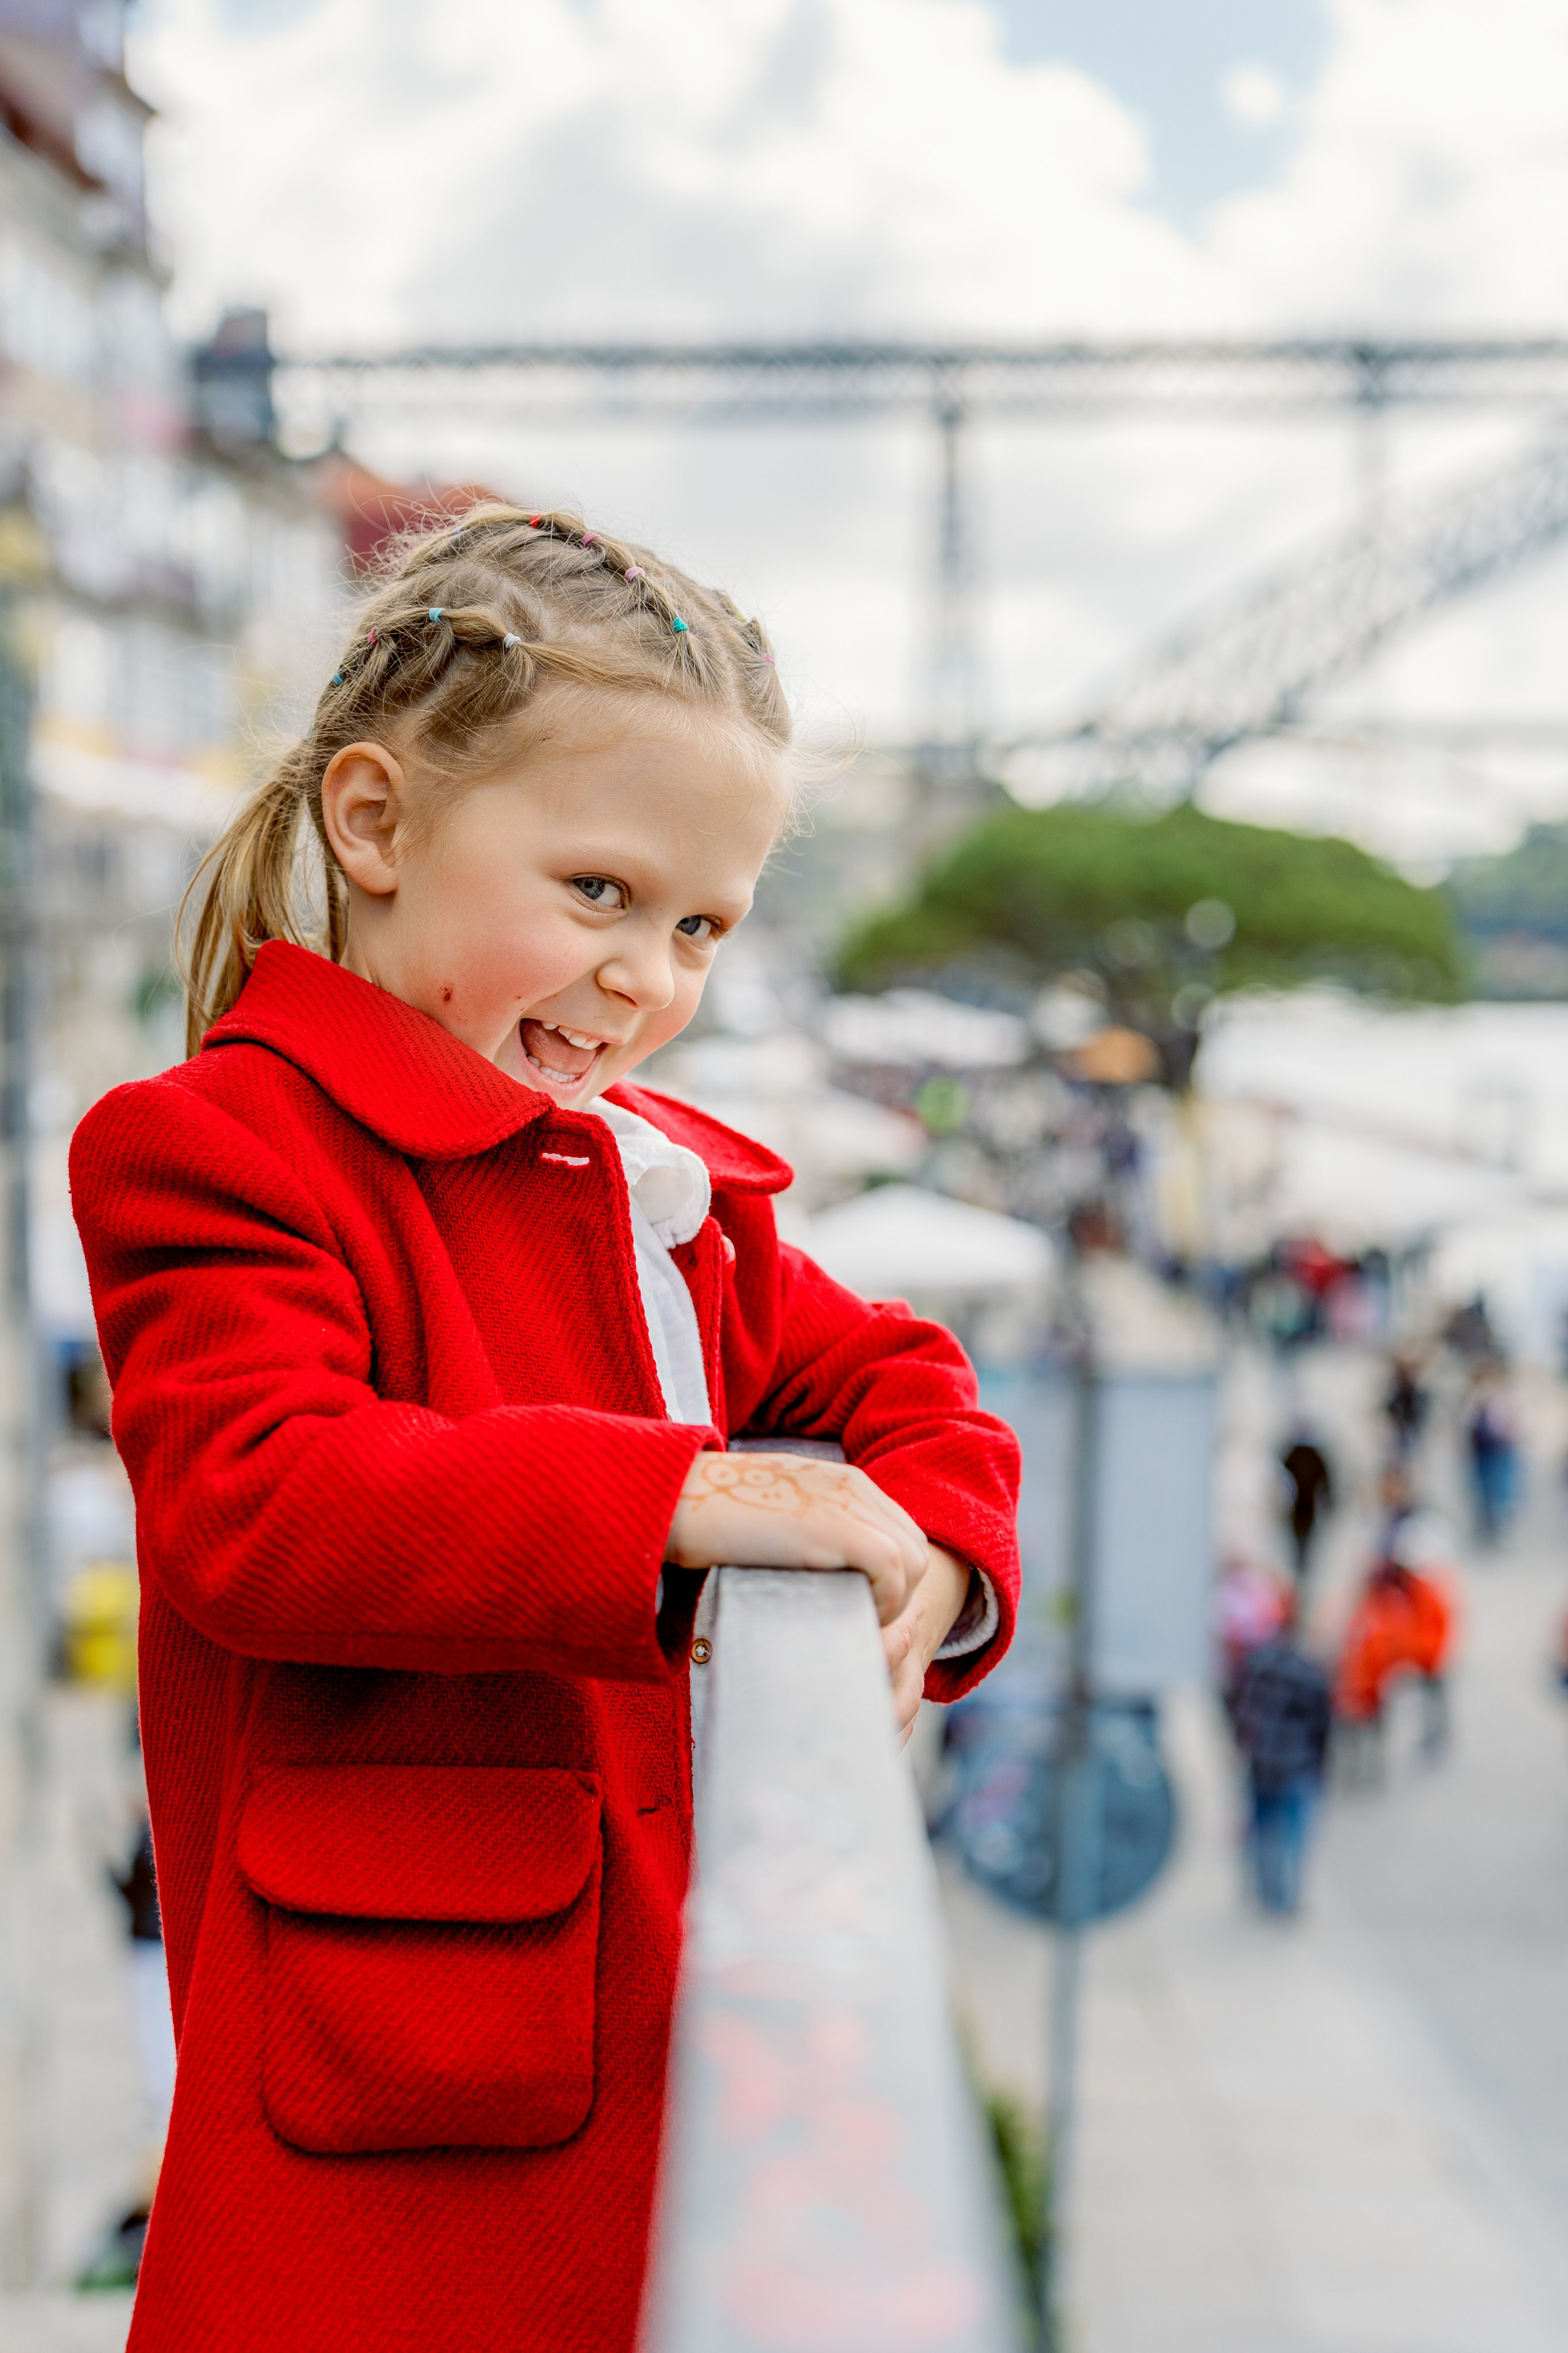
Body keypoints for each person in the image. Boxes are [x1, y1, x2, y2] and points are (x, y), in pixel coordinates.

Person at [69, 507, 1022, 2353]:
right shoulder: (214, 1145)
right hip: (398, 2127)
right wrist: (685, 1496)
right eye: (597, 890)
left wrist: (937, 1549)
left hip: (650, 2064)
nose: (647, 977)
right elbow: (258, 1499)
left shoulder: (657, 1187)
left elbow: (901, 1372)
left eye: (698, 925)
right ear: (375, 823)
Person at [1231, 1598, 1333, 1914]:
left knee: (1262, 1831)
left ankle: (1265, 1893)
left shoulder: (1258, 1666)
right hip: (1297, 1764)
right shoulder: (1311, 1674)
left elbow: (1238, 1710)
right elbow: (1323, 1726)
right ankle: (1286, 1898)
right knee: (1293, 1836)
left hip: (1261, 1762)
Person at [1466, 1361, 1520, 1546]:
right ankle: (1487, 1526)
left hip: (1500, 1449)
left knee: (1502, 1489)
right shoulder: (1474, 1398)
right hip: (1482, 1451)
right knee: (1483, 1490)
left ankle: (1500, 1526)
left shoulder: (1506, 1397)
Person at [1279, 1424, 1334, 1582]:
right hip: (1295, 1509)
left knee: (1306, 1541)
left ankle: (1302, 1569)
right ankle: (1297, 1569)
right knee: (1295, 1540)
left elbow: (1325, 1480)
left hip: (1308, 1508)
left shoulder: (1311, 1455)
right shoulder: (1295, 1453)